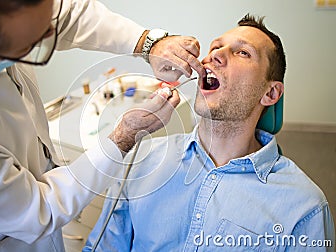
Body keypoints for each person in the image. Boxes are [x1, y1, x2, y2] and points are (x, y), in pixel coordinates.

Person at [0, 0, 205, 251]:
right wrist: (124, 136)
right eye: (30, 46)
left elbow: (69, 15)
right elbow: (40, 209)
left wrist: (149, 44)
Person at [84, 14, 335, 251]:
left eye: (243, 53)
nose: (213, 56)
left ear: (270, 94)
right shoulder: (141, 163)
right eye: (215, 47)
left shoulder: (304, 208)